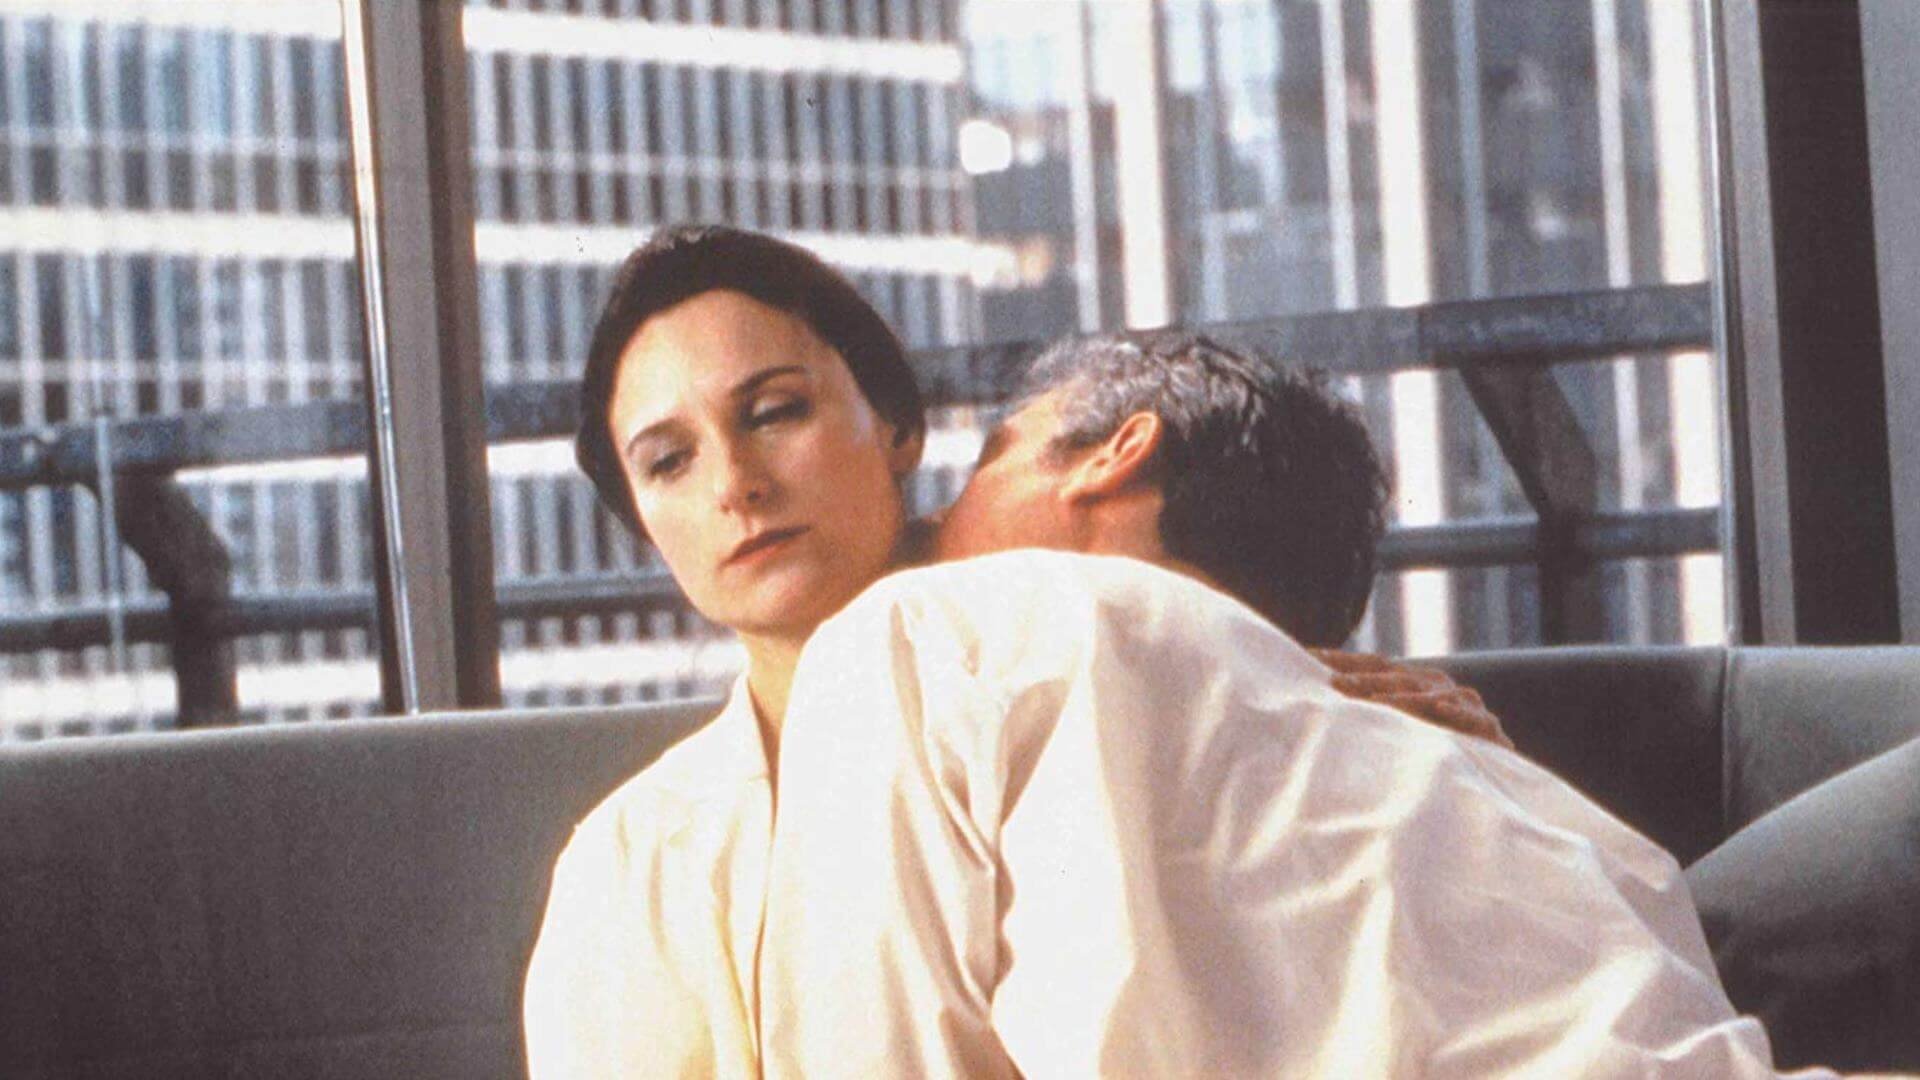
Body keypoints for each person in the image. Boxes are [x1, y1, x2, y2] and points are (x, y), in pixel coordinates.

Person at [523, 224, 1502, 1076]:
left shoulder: (1126, 675)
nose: (733, 484)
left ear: (896, 427)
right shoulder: (633, 863)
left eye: (775, 411)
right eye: (668, 461)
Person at [753, 331, 1829, 1077]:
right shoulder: (1497, 779)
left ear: (1117, 453)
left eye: (991, 461)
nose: (935, 523)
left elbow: (873, 1050)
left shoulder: (934, 627)